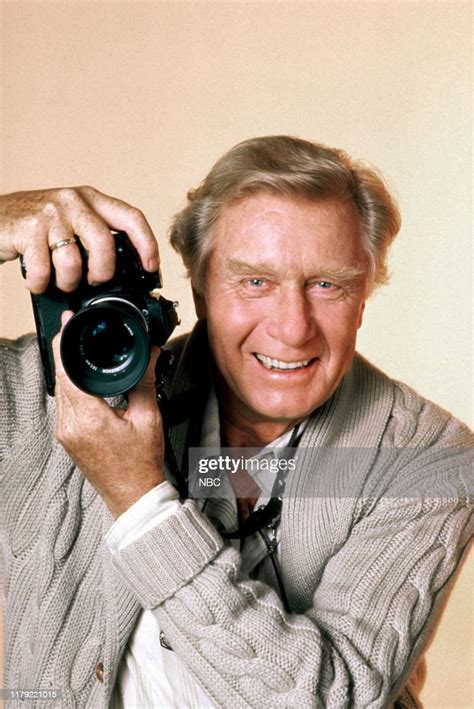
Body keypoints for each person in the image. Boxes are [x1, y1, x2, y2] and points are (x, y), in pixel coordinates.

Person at [0, 136, 472, 709]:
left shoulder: (431, 459)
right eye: (255, 281)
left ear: (364, 294)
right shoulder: (52, 390)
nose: (293, 328)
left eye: (327, 285)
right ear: (196, 285)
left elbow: (332, 700)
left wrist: (139, 500)